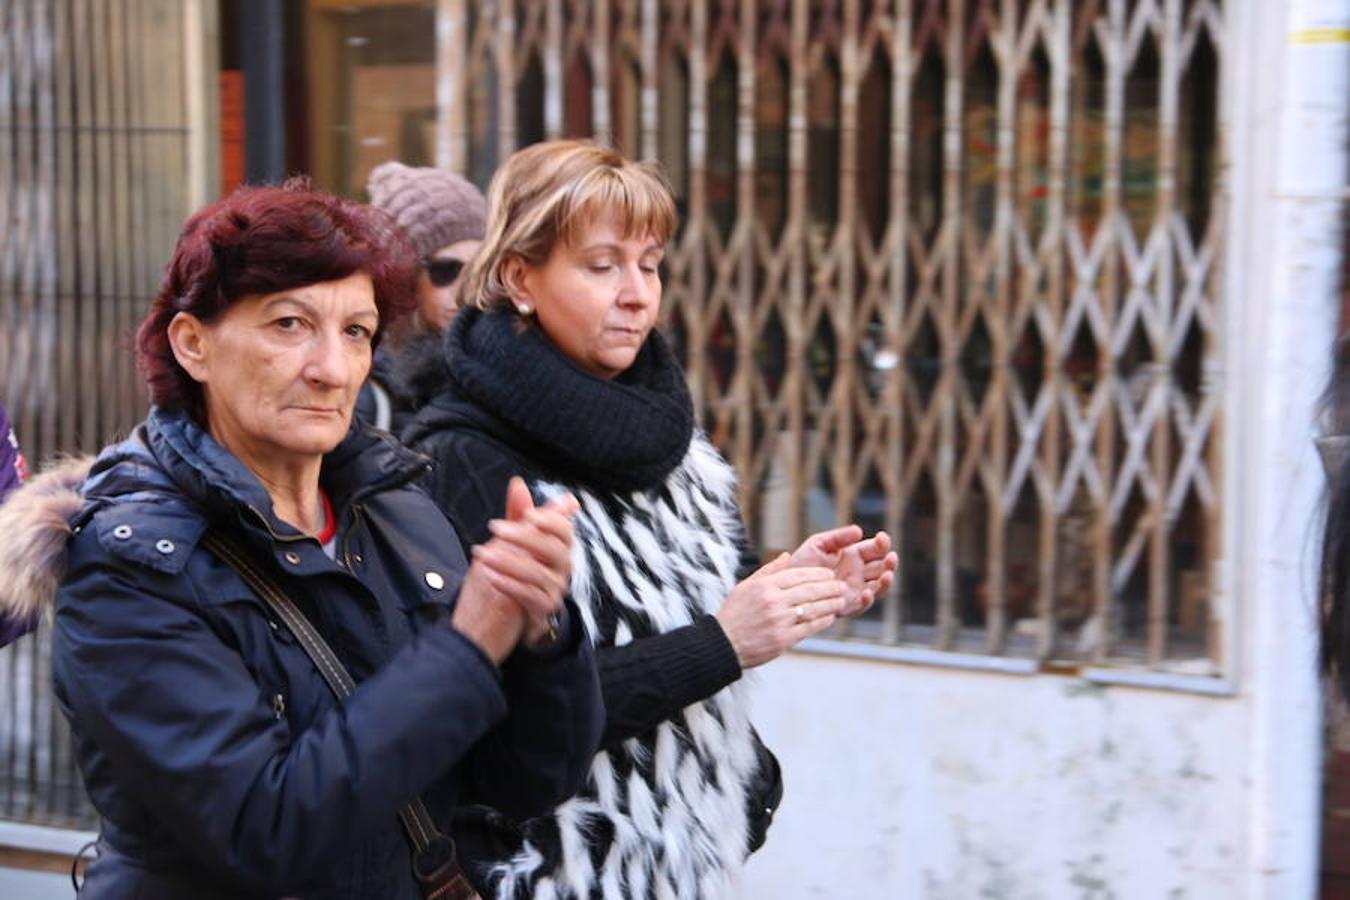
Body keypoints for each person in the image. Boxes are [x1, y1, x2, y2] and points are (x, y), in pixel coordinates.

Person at [0, 179, 603, 899]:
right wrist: (468, 647)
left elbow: (524, 782)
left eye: (355, 332)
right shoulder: (130, 562)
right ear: (193, 344)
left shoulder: (395, 509)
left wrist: (543, 635)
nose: (330, 368)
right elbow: (269, 830)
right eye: (289, 324)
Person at [401, 140, 898, 899]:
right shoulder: (461, 458)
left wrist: (787, 591)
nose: (636, 293)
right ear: (519, 279)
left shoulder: (674, 442)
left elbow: (699, 628)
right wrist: (724, 642)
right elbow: (493, 717)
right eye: (601, 266)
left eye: (651, 263)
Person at [357, 161, 487, 433]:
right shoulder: (361, 388)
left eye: (480, 269)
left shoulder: (498, 370)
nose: (466, 290)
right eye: (446, 270)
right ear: (403, 277)